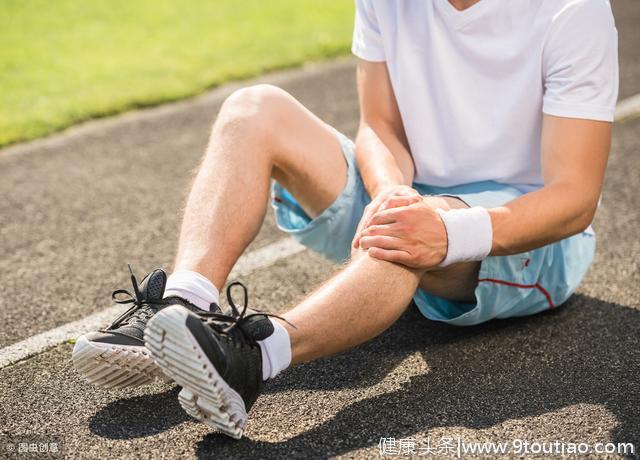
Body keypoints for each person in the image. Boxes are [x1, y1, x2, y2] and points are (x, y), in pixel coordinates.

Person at [72, 0, 618, 439]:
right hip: (413, 191)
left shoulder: (572, 11)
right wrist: (392, 192)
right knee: (253, 108)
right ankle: (183, 301)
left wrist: (445, 230)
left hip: (520, 239)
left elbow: (574, 197)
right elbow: (378, 125)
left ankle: (252, 358)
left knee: (406, 232)